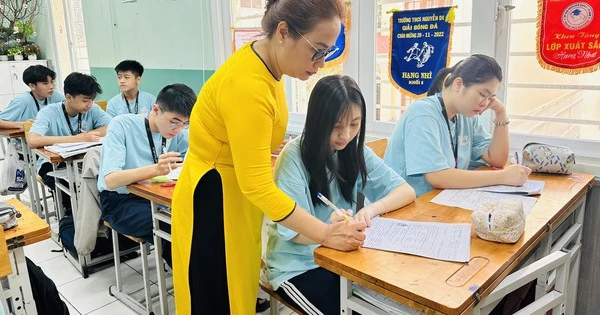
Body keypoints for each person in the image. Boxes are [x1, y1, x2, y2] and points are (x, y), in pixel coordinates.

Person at [170, 0, 367, 313]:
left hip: (235, 196)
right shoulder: (248, 85)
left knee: (239, 291)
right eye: (317, 50)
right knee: (215, 297)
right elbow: (258, 186)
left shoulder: (268, 66)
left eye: (327, 52)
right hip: (214, 199)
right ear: (284, 32)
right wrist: (326, 234)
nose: (320, 62)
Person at [266, 75, 416, 314]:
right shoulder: (293, 158)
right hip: (299, 265)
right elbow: (292, 232)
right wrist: (328, 233)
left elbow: (405, 191)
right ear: (317, 122)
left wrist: (370, 209)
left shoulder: (354, 151)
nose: (345, 135)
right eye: (336, 126)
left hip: (343, 258)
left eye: (355, 124)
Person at [384, 54, 531, 197]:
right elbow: (437, 177)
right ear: (459, 84)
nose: (485, 103)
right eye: (482, 94)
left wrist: (501, 111)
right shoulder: (423, 114)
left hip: (437, 202)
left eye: (490, 98)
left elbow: (497, 159)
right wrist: (502, 177)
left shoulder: (465, 115)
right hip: (401, 209)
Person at [98, 84, 196, 267]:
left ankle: (199, 278)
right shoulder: (122, 125)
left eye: (185, 123)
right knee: (176, 227)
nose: (179, 129)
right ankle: (191, 284)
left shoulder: (178, 133)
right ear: (156, 110)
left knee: (201, 221)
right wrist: (155, 169)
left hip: (156, 197)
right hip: (121, 203)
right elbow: (111, 180)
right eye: (174, 121)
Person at [28, 72, 111, 215]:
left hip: (83, 161)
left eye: (92, 100)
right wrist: (79, 138)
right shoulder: (48, 112)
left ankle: (99, 221)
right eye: (85, 100)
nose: (89, 105)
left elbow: (111, 127)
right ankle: (70, 221)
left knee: (104, 182)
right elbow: (32, 140)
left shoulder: (92, 109)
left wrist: (89, 136)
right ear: (68, 97)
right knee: (70, 189)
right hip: (53, 164)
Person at [0, 65, 65, 129]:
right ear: (32, 86)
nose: (51, 86)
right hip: (26, 138)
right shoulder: (23, 100)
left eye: (51, 82)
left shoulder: (55, 95)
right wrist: (22, 124)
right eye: (45, 83)